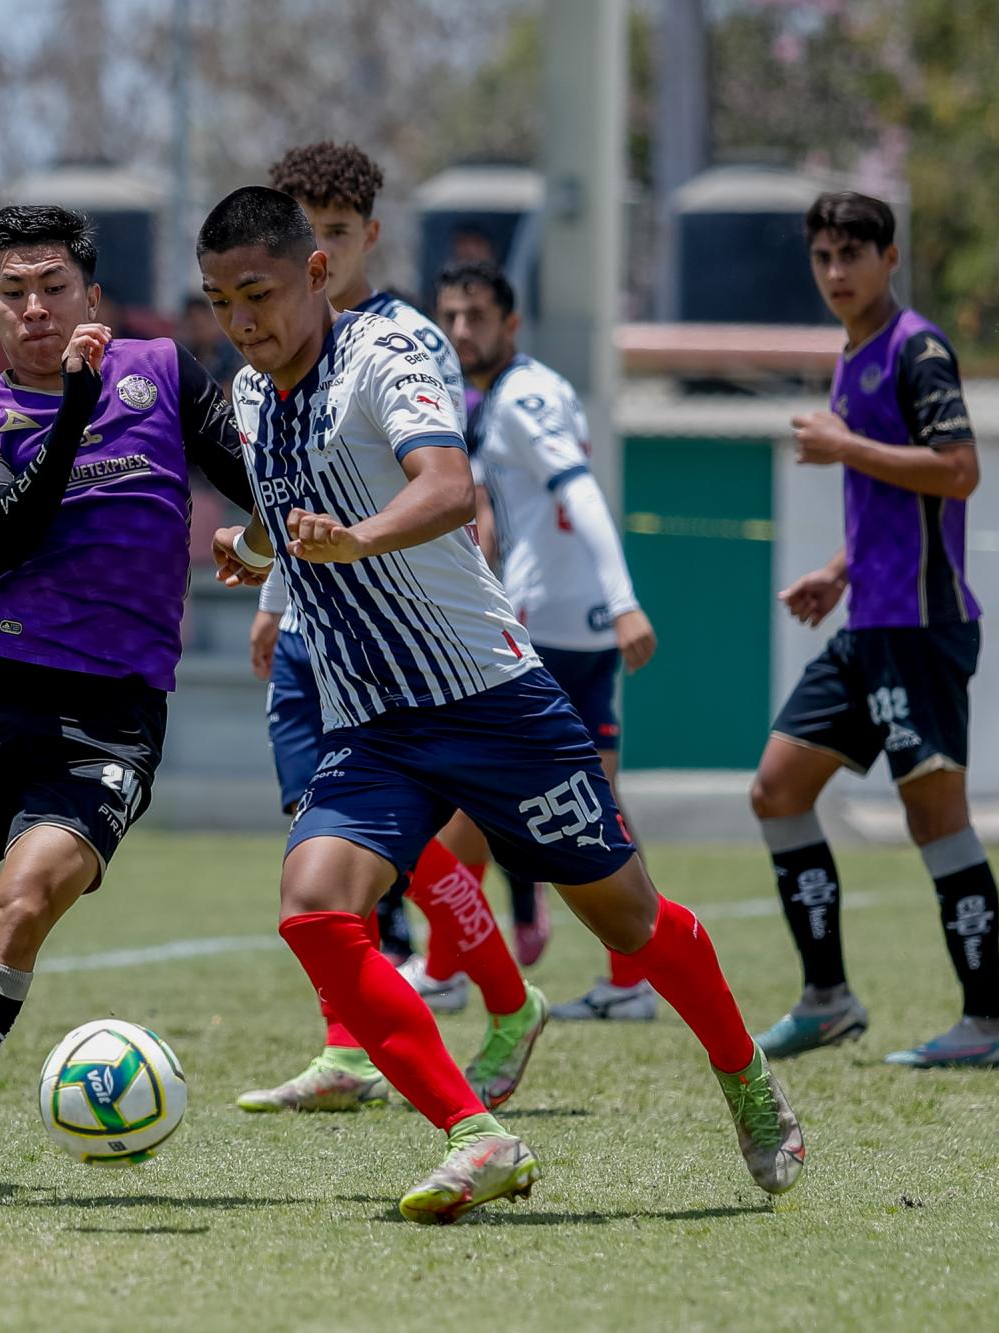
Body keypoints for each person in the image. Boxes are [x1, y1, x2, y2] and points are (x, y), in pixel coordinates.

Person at [199, 186, 804, 1223]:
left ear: (313, 273)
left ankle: (744, 1072)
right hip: (372, 722)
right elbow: (283, 504)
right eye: (218, 303)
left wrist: (357, 536)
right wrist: (254, 548)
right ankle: (475, 1136)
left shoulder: (382, 360)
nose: (242, 321)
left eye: (255, 293)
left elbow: (444, 489)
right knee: (313, 905)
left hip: (492, 702)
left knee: (628, 920)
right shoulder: (251, 399)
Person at [0, 205, 258, 1209]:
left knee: (22, 908)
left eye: (53, 287)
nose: (34, 307)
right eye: (13, 293)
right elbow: (6, 538)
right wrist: (69, 407)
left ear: (92, 298)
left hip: (110, 720)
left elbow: (253, 481)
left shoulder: (159, 373)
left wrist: (276, 549)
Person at [234, 142, 546, 1121]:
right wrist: (273, 598)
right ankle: (346, 1047)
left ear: (366, 237)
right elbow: (287, 491)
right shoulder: (271, 346)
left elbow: (432, 488)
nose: (312, 253)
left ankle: (506, 996)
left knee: (402, 842)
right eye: (298, 232)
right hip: (311, 631)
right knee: (316, 844)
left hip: (397, 642)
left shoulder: (402, 338)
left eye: (331, 234)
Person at [750, 191, 999, 1068]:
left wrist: (846, 447)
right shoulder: (851, 353)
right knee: (778, 789)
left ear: (889, 258)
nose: (836, 272)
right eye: (823, 256)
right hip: (869, 622)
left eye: (852, 255)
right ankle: (827, 998)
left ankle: (988, 1024)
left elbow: (959, 471)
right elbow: (889, 501)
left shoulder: (917, 349)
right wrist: (837, 569)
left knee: (936, 818)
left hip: (922, 625)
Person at [436, 257, 665, 1025]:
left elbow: (580, 494)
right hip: (574, 622)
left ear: (511, 324)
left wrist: (624, 596)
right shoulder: (516, 392)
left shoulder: (521, 396)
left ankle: (445, 966)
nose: (461, 330)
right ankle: (629, 976)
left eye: (475, 316)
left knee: (467, 800)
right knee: (591, 798)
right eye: (451, 316)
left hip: (551, 622)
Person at [178, 295, 243, 390]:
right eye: (192, 326)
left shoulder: (230, 354)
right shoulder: (187, 355)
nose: (196, 331)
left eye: (199, 326)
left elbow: (232, 388)